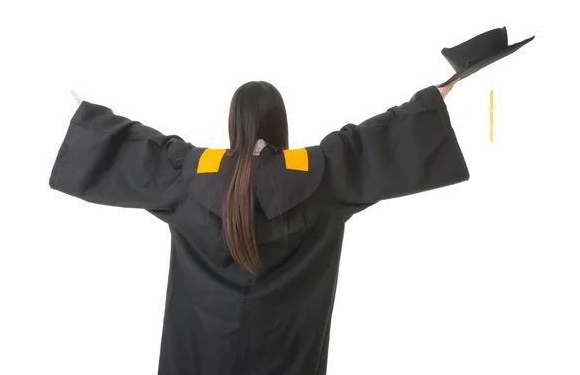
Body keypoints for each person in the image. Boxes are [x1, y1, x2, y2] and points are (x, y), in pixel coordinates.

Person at [49, 78, 468, 375]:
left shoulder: (191, 175)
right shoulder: (323, 174)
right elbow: (373, 143)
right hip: (289, 357)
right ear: (279, 122)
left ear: (234, 123)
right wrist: (436, 94)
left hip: (201, 359)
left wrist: (92, 119)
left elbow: (138, 148)